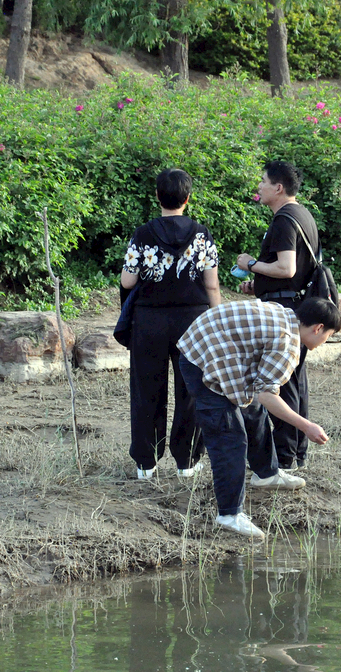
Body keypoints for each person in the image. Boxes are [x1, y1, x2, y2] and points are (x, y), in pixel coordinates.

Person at [177, 297, 341, 538]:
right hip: (202, 360)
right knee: (230, 437)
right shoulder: (287, 343)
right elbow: (266, 395)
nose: (324, 341)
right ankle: (229, 515)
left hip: (207, 345)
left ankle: (267, 474)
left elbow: (258, 394)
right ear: (318, 328)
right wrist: (306, 426)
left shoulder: (285, 315)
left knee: (253, 411)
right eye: (328, 335)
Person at [121, 168, 221, 480]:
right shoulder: (202, 234)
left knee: (146, 389)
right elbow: (213, 286)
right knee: (191, 389)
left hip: (149, 320)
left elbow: (128, 278)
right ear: (187, 199)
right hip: (193, 321)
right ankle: (187, 462)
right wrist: (217, 323)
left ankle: (146, 464)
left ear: (157, 196)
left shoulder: (143, 233)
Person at [236, 161, 321, 470]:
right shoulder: (303, 214)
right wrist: (258, 284)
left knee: (281, 387)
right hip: (293, 303)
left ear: (278, 188)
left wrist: (251, 264)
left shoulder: (284, 219)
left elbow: (287, 269)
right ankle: (295, 455)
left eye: (263, 181)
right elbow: (289, 274)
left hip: (284, 312)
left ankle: (285, 459)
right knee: (295, 383)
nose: (259, 186)